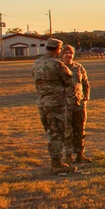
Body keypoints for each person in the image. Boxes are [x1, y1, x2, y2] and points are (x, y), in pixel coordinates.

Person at [31, 38, 74, 174]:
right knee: (56, 132)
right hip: (55, 103)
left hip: (42, 102)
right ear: (58, 49)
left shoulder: (37, 63)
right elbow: (68, 81)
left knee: (50, 132)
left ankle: (55, 160)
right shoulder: (57, 64)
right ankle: (56, 163)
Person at [61, 44, 93, 163]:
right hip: (65, 104)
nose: (68, 55)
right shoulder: (59, 68)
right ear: (62, 55)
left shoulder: (78, 67)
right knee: (67, 130)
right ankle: (68, 155)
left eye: (70, 53)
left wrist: (86, 98)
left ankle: (80, 153)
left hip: (79, 103)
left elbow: (86, 83)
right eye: (66, 53)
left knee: (80, 129)